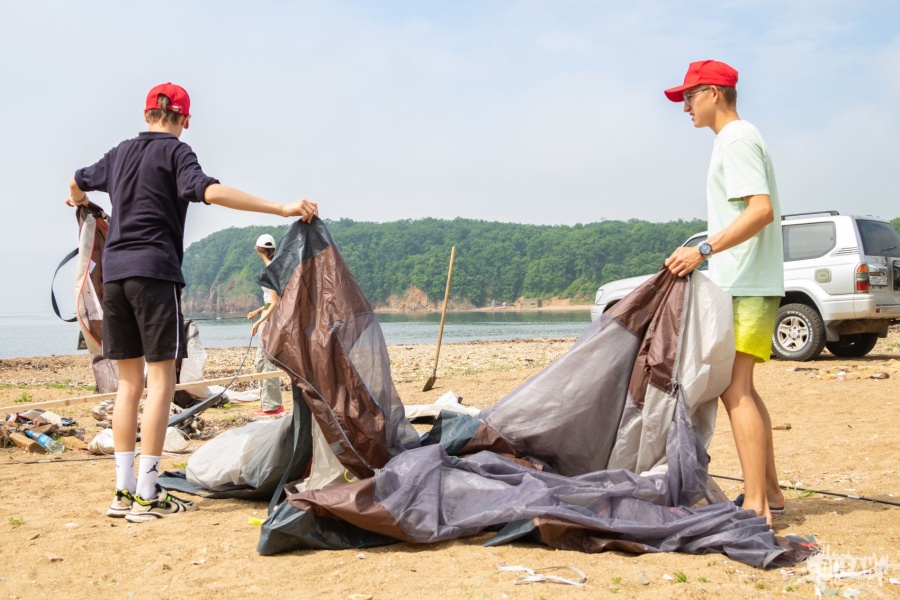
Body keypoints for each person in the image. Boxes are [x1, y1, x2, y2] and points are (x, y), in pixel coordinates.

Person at [65, 82, 318, 522]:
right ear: (185, 120)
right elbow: (210, 191)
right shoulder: (177, 153)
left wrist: (80, 201)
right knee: (161, 382)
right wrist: (280, 208)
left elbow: (76, 179)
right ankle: (148, 494)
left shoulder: (119, 153)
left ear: (146, 114)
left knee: (129, 385)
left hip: (115, 277)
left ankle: (122, 493)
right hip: (155, 274)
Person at [662, 60, 785, 525]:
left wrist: (704, 250)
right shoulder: (734, 139)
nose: (685, 107)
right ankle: (770, 492)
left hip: (747, 283)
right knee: (743, 388)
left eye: (689, 96)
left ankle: (756, 506)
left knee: (735, 390)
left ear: (714, 92)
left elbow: (761, 210)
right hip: (746, 281)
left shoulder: (736, 139)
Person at [248, 233, 284, 415]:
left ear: (258, 249)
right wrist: (258, 311)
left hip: (270, 320)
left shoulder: (270, 270)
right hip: (269, 316)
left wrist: (259, 322)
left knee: (264, 361)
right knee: (263, 361)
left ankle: (272, 407)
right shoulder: (274, 268)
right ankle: (269, 404)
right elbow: (272, 300)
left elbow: (276, 302)